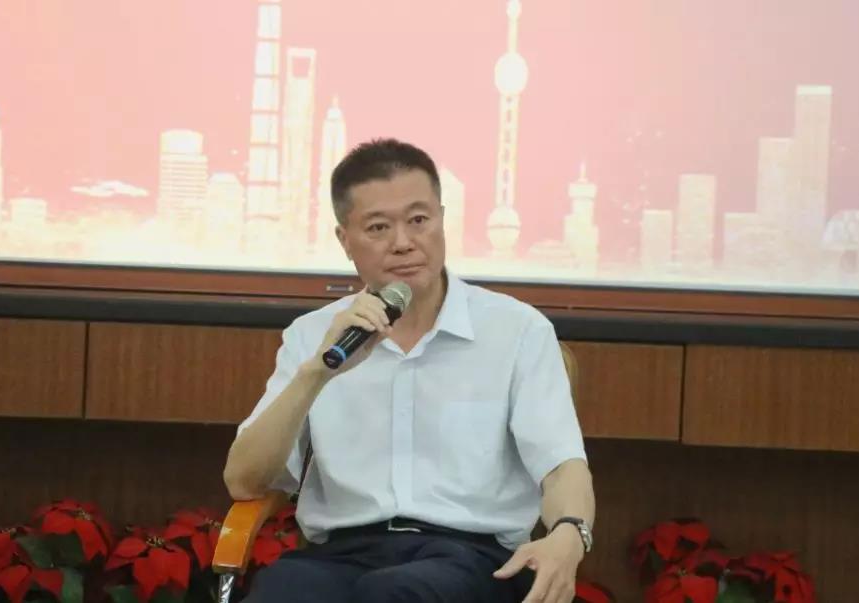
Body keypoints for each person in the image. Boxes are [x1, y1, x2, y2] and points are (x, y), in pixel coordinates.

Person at [224, 138, 596, 603]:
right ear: (344, 240)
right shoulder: (315, 336)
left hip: (471, 558)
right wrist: (317, 372)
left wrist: (570, 532)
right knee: (284, 592)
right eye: (378, 227)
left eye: (419, 220)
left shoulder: (516, 330)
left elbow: (562, 466)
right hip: (343, 554)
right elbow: (244, 480)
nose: (403, 243)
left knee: (397, 593)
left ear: (441, 219)